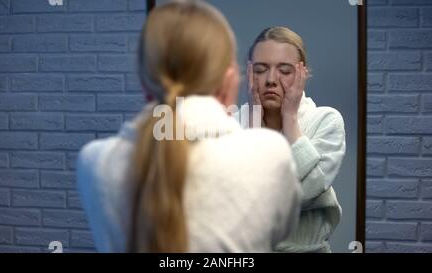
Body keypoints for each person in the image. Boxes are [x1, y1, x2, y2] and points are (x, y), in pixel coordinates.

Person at [77, 0, 302, 253]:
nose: (271, 80)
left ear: (144, 82)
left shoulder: (94, 162)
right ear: (228, 79)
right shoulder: (270, 154)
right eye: (260, 69)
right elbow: (279, 231)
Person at [246, 26, 346, 253]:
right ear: (250, 74)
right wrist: (253, 123)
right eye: (261, 70)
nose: (271, 80)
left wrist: (289, 118)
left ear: (303, 74)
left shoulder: (326, 120)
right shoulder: (233, 123)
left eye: (285, 70)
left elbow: (307, 193)